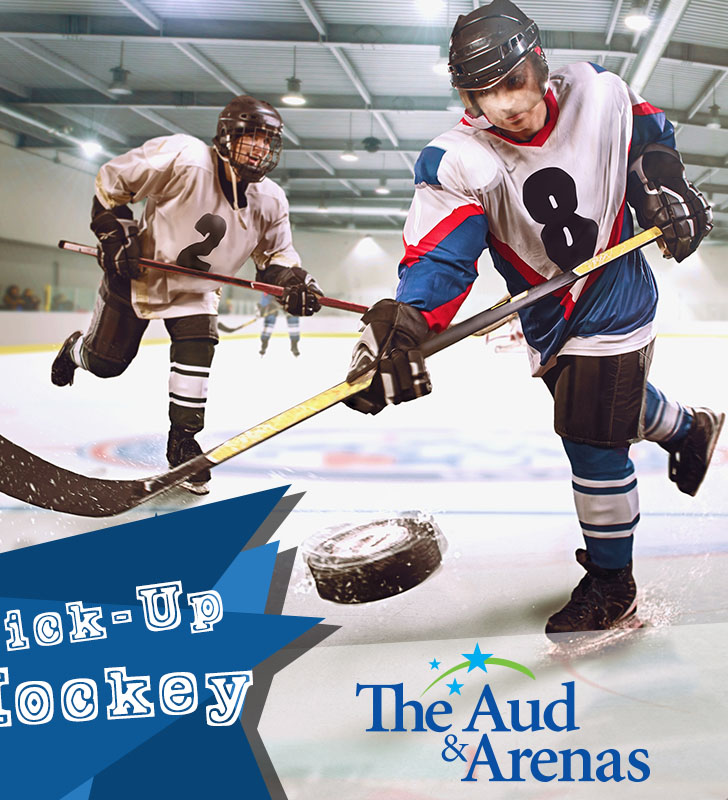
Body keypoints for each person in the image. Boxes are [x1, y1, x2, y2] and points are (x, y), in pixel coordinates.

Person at [343, 0, 720, 640]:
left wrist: (666, 185)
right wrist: (407, 326)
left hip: (615, 290)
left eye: (514, 81)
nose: (507, 104)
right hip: (547, 316)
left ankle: (612, 582)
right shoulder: (456, 159)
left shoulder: (598, 90)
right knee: (604, 407)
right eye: (485, 92)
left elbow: (648, 137)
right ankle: (686, 428)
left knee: (590, 435)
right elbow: (443, 258)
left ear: (538, 64)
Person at [50, 95, 323, 495]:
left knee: (198, 350)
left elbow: (274, 260)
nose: (261, 147)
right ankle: (76, 350)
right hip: (138, 275)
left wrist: (296, 284)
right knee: (107, 364)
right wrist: (115, 233)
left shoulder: (271, 199)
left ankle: (182, 443)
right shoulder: (185, 157)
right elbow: (112, 184)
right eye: (253, 136)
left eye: (268, 140)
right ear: (228, 137)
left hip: (197, 292)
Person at [258, 292, 302, 357]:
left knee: (293, 320)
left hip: (288, 302)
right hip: (273, 302)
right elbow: (266, 292)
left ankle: (294, 344)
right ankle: (264, 344)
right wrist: (263, 306)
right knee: (270, 320)